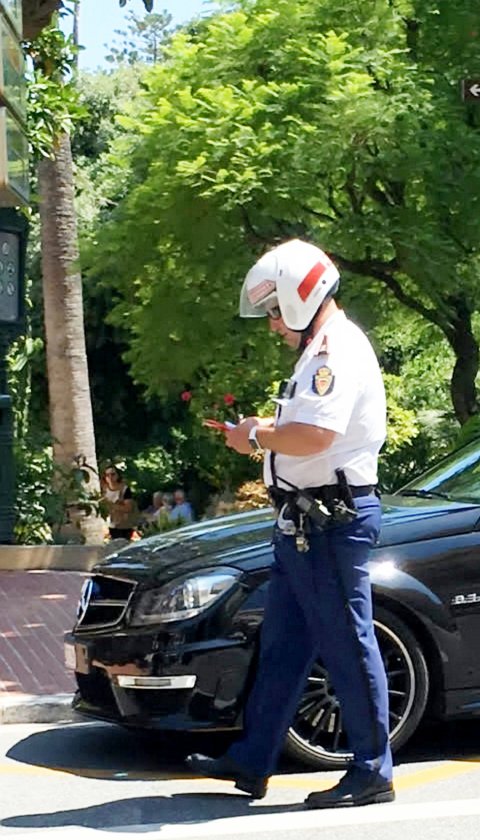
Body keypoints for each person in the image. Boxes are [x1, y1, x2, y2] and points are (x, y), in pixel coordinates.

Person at [186, 238, 393, 809]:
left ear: (303, 298)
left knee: (347, 644)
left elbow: (314, 437)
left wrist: (254, 435)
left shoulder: (333, 352)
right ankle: (252, 760)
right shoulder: (320, 351)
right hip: (308, 520)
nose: (274, 323)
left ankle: (373, 768)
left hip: (329, 519)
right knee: (283, 645)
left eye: (276, 310)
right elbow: (302, 433)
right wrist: (260, 429)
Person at [100, 465, 136, 540]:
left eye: (113, 474)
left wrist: (111, 505)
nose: (110, 477)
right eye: (107, 475)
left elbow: (128, 508)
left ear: (117, 475)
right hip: (107, 524)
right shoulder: (102, 490)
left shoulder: (124, 489)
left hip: (123, 525)